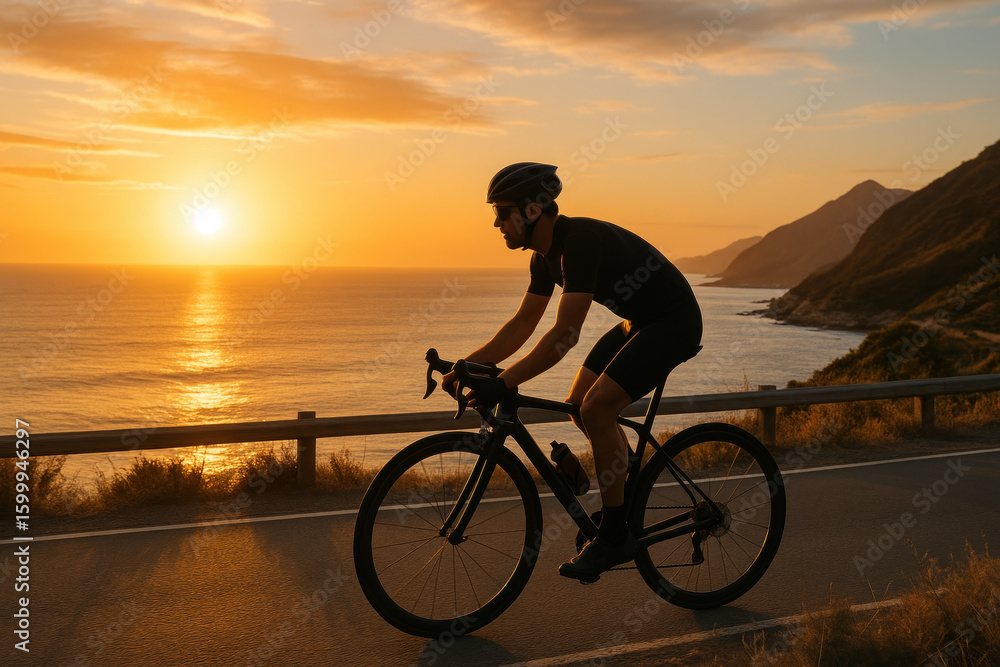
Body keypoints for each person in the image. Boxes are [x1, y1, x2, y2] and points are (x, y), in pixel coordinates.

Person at [442, 162, 703, 581]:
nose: (495, 223)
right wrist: (472, 365)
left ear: (531, 211)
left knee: (598, 408)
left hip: (674, 322)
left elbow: (565, 334)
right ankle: (626, 475)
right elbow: (522, 326)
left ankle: (615, 536)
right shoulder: (544, 259)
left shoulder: (577, 243)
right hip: (638, 323)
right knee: (578, 406)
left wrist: (504, 382)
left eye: (502, 211)